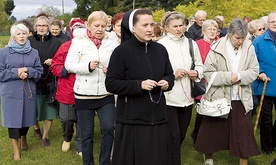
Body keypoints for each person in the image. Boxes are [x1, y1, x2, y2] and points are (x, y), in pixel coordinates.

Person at [105, 9, 175, 165]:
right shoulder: (121, 52)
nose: (150, 29)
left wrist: (166, 82)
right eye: (145, 25)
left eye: (152, 24)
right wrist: (139, 85)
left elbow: (169, 74)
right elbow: (111, 83)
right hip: (132, 120)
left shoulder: (160, 50)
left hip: (157, 118)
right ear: (133, 28)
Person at [195, 19, 260, 165]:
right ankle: (208, 158)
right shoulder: (216, 47)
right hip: (219, 97)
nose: (240, 41)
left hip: (241, 98)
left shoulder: (249, 47)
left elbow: (254, 71)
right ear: (229, 34)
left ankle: (243, 162)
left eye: (243, 38)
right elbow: (208, 72)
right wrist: (228, 78)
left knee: (244, 135)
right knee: (212, 132)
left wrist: (240, 76)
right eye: (237, 38)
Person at [65, 11, 117, 165]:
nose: (100, 29)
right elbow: (69, 65)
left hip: (105, 94)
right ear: (88, 25)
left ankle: (105, 162)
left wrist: (112, 69)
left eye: (103, 26)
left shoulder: (112, 42)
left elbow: (119, 65)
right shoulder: (78, 42)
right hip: (84, 95)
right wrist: (87, 66)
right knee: (86, 134)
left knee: (108, 129)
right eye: (96, 26)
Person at [158, 11, 203, 165]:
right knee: (173, 136)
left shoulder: (191, 43)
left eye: (181, 25)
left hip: (188, 97)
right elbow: (155, 71)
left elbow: (200, 64)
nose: (178, 29)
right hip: (168, 98)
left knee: (182, 134)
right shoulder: (160, 45)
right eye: (175, 26)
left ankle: (165, 157)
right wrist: (172, 75)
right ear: (166, 27)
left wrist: (196, 72)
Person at [0, 23, 43, 160]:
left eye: (24, 33)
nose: (21, 36)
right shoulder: (4, 53)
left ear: (28, 35)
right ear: (13, 36)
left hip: (27, 92)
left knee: (27, 119)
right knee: (13, 122)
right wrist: (16, 72)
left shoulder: (34, 52)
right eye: (18, 34)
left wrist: (28, 71)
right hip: (10, 93)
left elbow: (39, 71)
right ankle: (16, 151)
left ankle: (24, 137)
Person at [50, 18, 85, 155]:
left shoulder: (90, 47)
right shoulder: (65, 46)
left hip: (85, 88)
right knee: (66, 118)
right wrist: (65, 71)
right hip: (67, 88)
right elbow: (55, 65)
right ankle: (67, 137)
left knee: (83, 119)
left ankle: (80, 145)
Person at [29, 15, 62, 146]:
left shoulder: (56, 42)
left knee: (49, 109)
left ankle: (45, 136)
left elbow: (61, 59)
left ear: (48, 27)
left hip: (50, 80)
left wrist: (54, 61)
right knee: (33, 108)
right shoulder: (29, 40)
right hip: (32, 80)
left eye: (44, 25)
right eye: (39, 25)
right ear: (35, 27)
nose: (41, 28)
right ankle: (36, 127)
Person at [191, 20, 219, 144]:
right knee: (201, 113)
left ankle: (212, 138)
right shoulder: (197, 44)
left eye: (215, 29)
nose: (212, 32)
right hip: (202, 83)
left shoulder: (221, 44)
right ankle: (196, 135)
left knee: (215, 112)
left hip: (217, 82)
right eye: (210, 29)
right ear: (203, 31)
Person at [253, 11, 276, 155]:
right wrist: (260, 72)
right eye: (273, 21)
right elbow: (253, 61)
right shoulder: (259, 41)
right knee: (266, 119)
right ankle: (267, 147)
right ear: (267, 24)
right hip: (265, 85)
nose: (275, 24)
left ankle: (274, 140)